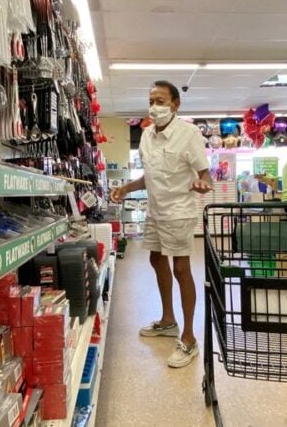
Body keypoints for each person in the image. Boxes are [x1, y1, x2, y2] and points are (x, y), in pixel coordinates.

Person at [110, 81, 213, 368]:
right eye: (151, 101)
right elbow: (150, 175)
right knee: (156, 260)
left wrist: (203, 183)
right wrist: (127, 188)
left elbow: (205, 173)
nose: (154, 106)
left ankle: (190, 338)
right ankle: (168, 320)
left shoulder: (188, 134)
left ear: (175, 104)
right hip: (155, 210)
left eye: (161, 101)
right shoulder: (145, 136)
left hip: (179, 210)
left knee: (181, 268)